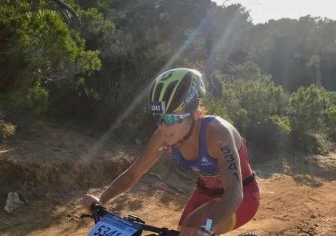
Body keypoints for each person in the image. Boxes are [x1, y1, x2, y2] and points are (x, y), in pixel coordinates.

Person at [82, 68, 260, 236]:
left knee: (194, 227)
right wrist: (101, 200)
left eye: (172, 118)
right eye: (159, 118)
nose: (164, 126)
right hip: (204, 193)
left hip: (241, 195)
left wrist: (207, 229)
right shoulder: (162, 136)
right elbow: (133, 174)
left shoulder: (217, 133)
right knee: (183, 230)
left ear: (195, 113)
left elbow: (234, 192)